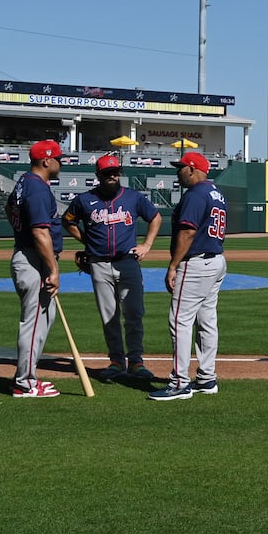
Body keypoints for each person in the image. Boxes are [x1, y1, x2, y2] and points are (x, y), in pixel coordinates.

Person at [62, 153, 162, 382]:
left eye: (115, 172)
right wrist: (87, 242)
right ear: (98, 175)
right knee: (109, 316)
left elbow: (155, 218)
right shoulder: (84, 200)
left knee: (134, 313)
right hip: (99, 264)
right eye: (107, 173)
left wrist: (147, 245)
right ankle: (117, 361)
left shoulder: (133, 198)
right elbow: (67, 221)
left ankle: (136, 362)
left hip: (128, 262)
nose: (112, 176)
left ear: (120, 173)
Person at [149, 152, 228, 401]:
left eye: (181, 168)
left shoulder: (195, 194)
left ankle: (179, 383)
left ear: (193, 170)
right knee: (206, 320)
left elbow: (188, 233)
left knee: (180, 322)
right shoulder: (216, 193)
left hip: (195, 264)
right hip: (216, 260)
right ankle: (206, 378)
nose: (178, 172)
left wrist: (173, 265)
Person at [5, 140, 65, 398]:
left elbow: (9, 209)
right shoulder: (38, 189)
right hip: (34, 260)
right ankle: (25, 382)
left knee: (42, 319)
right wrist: (52, 268)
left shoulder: (24, 182)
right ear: (46, 161)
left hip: (29, 255)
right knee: (34, 323)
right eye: (59, 159)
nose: (61, 163)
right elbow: (40, 232)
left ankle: (27, 377)